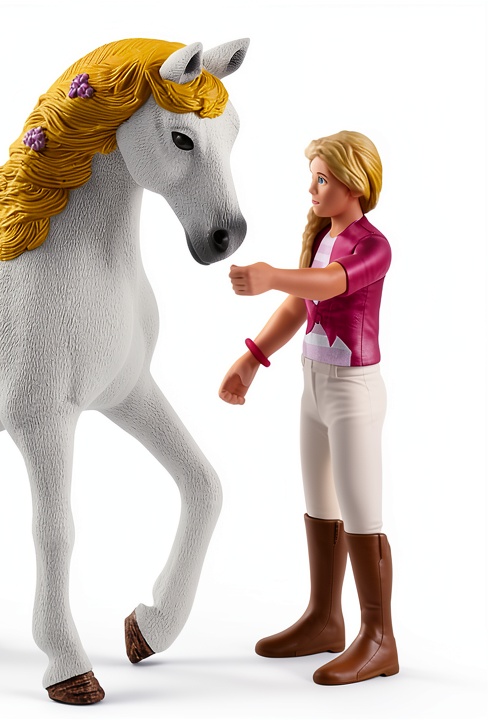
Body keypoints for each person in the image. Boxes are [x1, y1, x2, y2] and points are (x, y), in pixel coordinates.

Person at [219, 130, 397, 685]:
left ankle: (379, 637)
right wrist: (252, 357)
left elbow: (328, 285)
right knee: (321, 505)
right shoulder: (323, 237)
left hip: (353, 391)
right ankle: (325, 618)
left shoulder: (373, 247)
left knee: (361, 512)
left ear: (354, 183)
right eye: (313, 178)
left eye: (322, 179)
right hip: (313, 385)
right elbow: (301, 304)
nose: (313, 190)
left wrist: (271, 276)